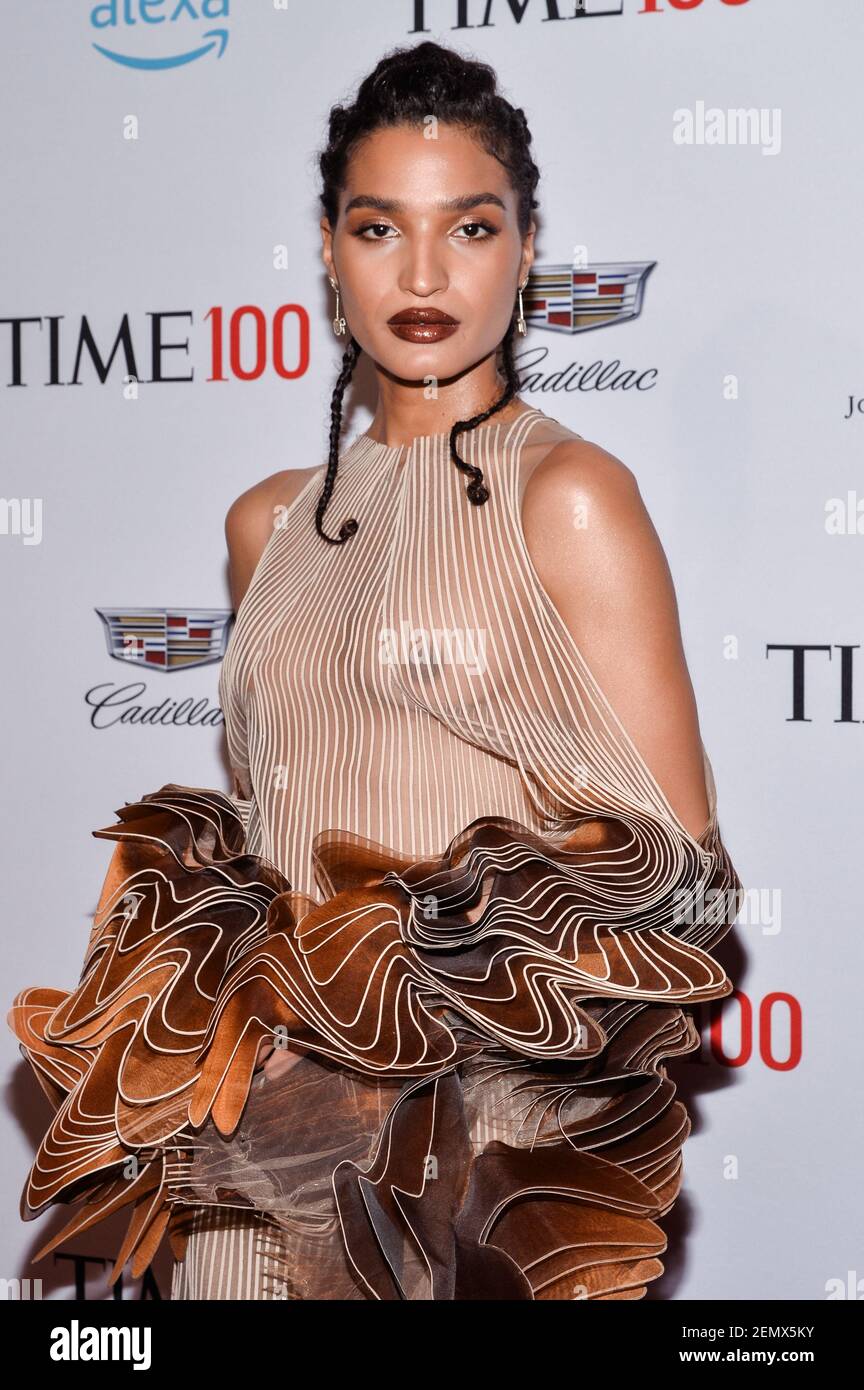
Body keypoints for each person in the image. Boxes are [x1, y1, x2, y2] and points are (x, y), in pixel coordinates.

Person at [8, 40, 742, 1301]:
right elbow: (288, 814)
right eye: (377, 227)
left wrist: (415, 998)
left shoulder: (569, 499)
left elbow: (682, 886)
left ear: (524, 251)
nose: (422, 273)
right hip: (258, 1155)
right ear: (329, 250)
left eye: (469, 227)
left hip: (472, 1157)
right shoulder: (268, 525)